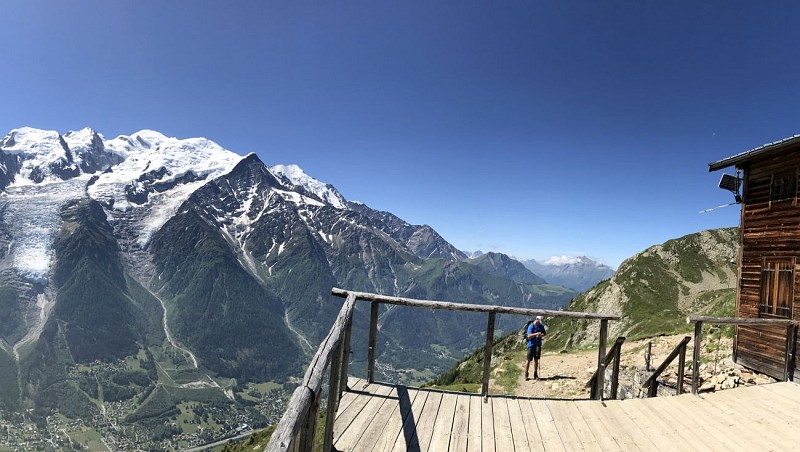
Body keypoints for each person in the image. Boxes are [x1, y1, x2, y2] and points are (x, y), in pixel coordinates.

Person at [525, 316, 546, 381]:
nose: (540, 322)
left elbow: (544, 333)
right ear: (536, 319)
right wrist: (537, 334)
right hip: (531, 345)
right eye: (539, 320)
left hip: (538, 345)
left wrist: (541, 335)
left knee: (536, 360)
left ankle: (535, 374)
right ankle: (526, 373)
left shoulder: (541, 326)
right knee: (528, 359)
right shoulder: (531, 326)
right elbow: (529, 335)